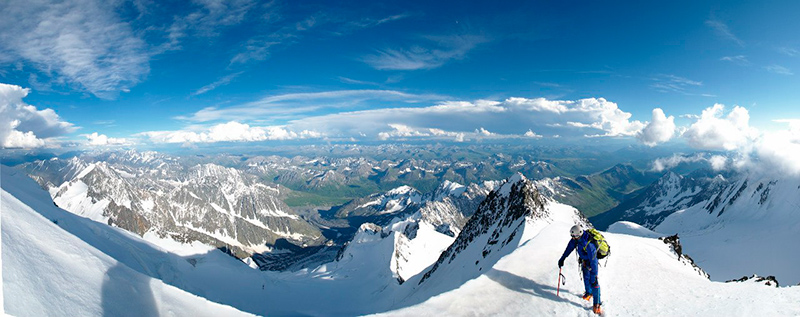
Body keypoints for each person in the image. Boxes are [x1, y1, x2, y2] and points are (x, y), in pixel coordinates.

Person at [558, 225, 602, 314]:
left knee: (594, 282)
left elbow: (593, 260)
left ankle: (597, 303)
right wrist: (563, 258)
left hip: (591, 263)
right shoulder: (576, 240)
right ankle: (588, 293)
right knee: (586, 277)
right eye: (572, 236)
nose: (573, 238)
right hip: (584, 261)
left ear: (580, 234)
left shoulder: (589, 244)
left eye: (575, 236)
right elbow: (569, 248)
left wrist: (594, 273)